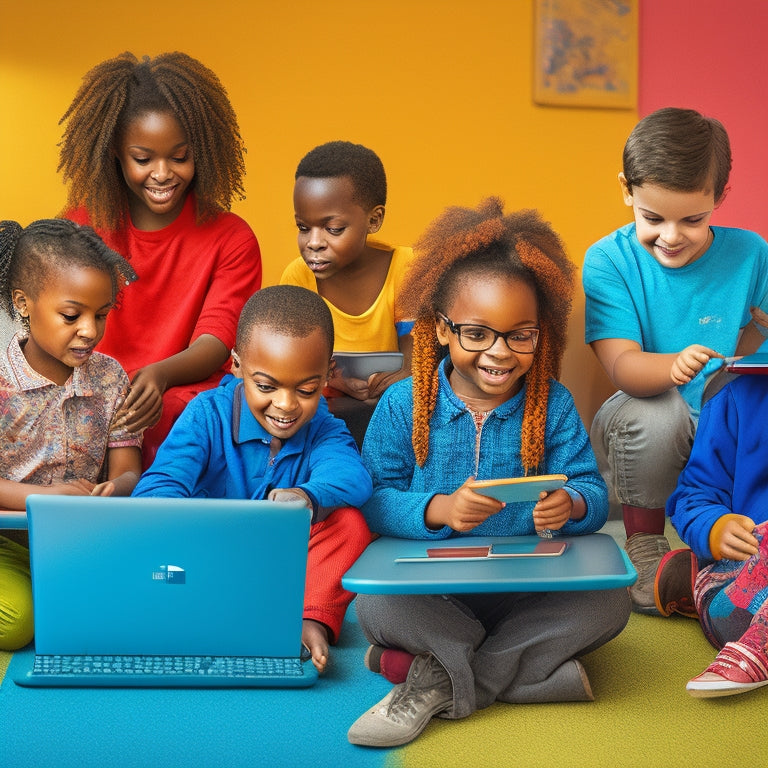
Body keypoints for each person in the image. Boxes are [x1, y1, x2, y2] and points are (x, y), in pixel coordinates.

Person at [347, 198, 631, 748]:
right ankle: (528, 675)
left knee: (609, 601)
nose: (498, 353)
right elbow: (373, 497)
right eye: (477, 334)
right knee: (374, 604)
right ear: (440, 331)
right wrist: (440, 510)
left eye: (519, 335)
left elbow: (592, 489)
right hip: (433, 588)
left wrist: (571, 505)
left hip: (525, 585)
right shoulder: (405, 405)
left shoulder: (552, 404)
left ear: (539, 333)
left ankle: (439, 676)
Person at [583, 107, 768, 614]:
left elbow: (758, 346)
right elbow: (621, 366)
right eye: (652, 218)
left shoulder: (751, 253)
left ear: (719, 199)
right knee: (657, 409)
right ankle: (645, 541)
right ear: (626, 190)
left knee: (750, 406)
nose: (671, 235)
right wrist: (675, 366)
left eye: (693, 219)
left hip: (718, 422)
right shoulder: (609, 260)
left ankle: (734, 547)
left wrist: (758, 337)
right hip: (642, 416)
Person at [132, 285, 373, 673]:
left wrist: (307, 496)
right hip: (205, 561)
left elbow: (353, 478)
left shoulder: (325, 427)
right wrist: (210, 523)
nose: (285, 404)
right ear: (237, 366)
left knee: (350, 524)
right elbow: (154, 491)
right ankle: (204, 615)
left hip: (279, 574)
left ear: (328, 375)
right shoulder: (206, 414)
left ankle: (310, 620)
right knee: (149, 559)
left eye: (307, 390)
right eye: (266, 386)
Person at [58, 51, 262, 468]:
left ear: (201, 151)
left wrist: (160, 374)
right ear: (115, 152)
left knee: (193, 412)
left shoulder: (232, 237)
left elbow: (217, 340)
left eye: (179, 156)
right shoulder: (80, 225)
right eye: (143, 158)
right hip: (92, 385)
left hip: (182, 390)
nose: (163, 172)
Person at [0, 218, 142, 650]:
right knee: (15, 622)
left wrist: (111, 489)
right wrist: (44, 499)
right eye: (71, 315)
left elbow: (129, 471)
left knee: (149, 598)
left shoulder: (111, 378)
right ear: (23, 303)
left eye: (101, 315)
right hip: (8, 544)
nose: (91, 331)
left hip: (84, 540)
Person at [280, 141, 413, 444]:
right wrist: (337, 380)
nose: (313, 242)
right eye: (303, 227)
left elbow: (416, 346)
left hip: (394, 409)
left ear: (373, 220)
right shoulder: (298, 276)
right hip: (319, 415)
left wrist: (403, 376)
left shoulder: (405, 266)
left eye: (333, 229)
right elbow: (288, 360)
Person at [666, 372, 768, 697]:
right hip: (743, 585)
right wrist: (715, 527)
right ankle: (694, 577)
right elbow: (695, 495)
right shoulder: (733, 395)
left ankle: (682, 576)